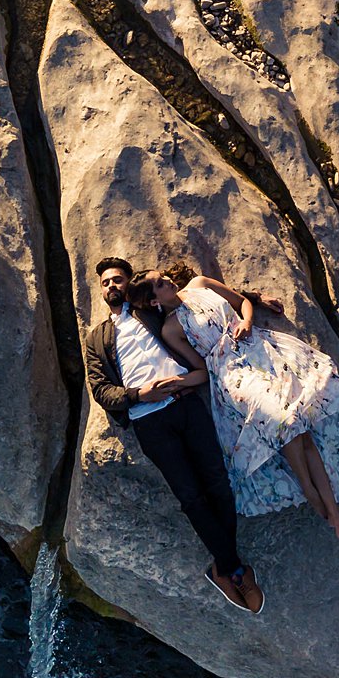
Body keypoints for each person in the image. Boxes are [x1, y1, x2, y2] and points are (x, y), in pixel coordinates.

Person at [82, 257, 264, 614]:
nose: (111, 287)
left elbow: (198, 295)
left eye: (117, 280)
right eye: (105, 283)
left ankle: (223, 568)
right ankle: (234, 569)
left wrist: (253, 301)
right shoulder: (97, 339)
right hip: (148, 420)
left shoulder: (150, 312)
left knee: (218, 483)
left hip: (186, 404)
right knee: (191, 498)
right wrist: (138, 395)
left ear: (131, 286)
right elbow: (100, 389)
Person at [130, 263, 339, 541]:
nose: (168, 281)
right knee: (285, 420)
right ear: (154, 301)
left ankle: (331, 509)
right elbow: (201, 370)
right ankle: (311, 491)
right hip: (231, 374)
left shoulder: (200, 284)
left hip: (260, 350)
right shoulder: (170, 329)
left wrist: (247, 321)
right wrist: (179, 383)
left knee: (300, 429)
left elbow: (243, 302)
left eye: (163, 277)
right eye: (161, 284)